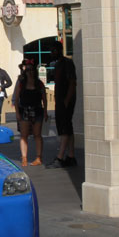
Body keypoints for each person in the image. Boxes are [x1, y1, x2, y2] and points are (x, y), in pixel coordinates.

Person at [46, 41, 78, 169]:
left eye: (53, 50)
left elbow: (72, 83)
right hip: (60, 100)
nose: (52, 53)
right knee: (67, 128)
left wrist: (66, 100)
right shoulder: (57, 65)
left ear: (59, 50)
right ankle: (71, 156)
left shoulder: (67, 63)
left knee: (64, 128)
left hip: (66, 101)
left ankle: (60, 157)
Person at [13, 58, 47, 167]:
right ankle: (24, 158)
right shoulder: (21, 83)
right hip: (24, 110)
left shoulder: (39, 84)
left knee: (37, 135)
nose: (30, 72)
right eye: (27, 70)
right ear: (25, 71)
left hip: (37, 110)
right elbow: (16, 98)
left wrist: (45, 111)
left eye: (31, 70)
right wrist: (17, 113)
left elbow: (44, 98)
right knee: (24, 135)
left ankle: (38, 157)